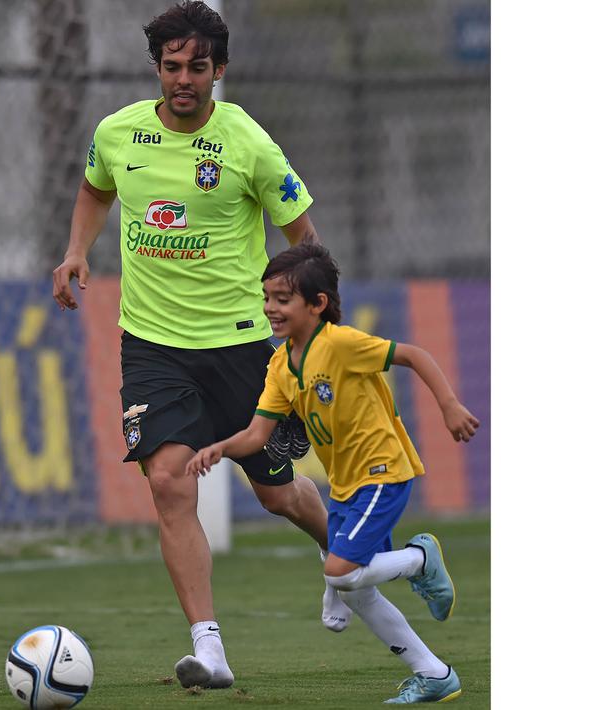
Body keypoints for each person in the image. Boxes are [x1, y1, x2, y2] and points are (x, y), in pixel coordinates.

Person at [51, 0, 348, 690]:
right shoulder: (118, 133)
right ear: (157, 67)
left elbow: (304, 237)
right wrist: (74, 251)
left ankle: (351, 562)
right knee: (165, 479)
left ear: (220, 70)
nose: (183, 79)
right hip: (152, 345)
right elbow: (95, 189)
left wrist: (310, 325)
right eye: (172, 66)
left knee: (277, 495)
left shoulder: (247, 142)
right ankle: (208, 649)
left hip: (243, 349)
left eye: (197, 68)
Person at [186, 243, 481, 704]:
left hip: (382, 472)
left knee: (343, 573)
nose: (270, 308)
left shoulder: (340, 344)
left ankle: (422, 558)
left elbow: (415, 355)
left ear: (317, 304)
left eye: (282, 299)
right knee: (358, 589)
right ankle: (434, 673)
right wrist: (219, 449)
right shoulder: (282, 365)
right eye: (266, 297)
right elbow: (257, 433)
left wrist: (449, 406)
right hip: (346, 485)